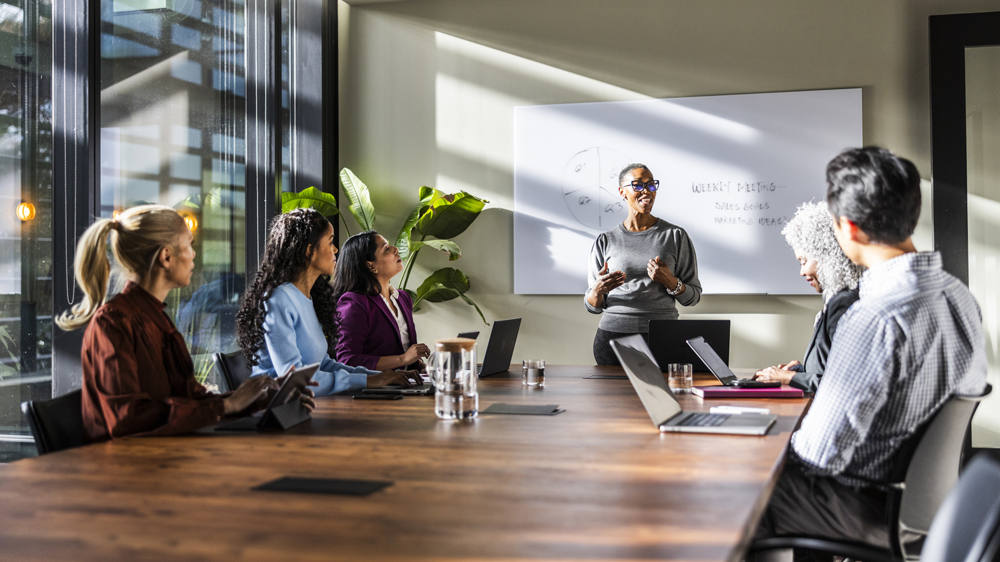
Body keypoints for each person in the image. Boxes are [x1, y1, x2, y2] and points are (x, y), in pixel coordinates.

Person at [755, 147, 988, 553]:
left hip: (867, 505)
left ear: (847, 227)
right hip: (931, 505)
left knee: (737, 495)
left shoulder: (874, 318)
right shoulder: (958, 296)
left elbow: (819, 455)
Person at [57, 205, 314, 443]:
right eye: (189, 245)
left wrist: (259, 399)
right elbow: (125, 418)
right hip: (127, 475)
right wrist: (225, 406)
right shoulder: (112, 323)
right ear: (166, 257)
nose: (193, 255)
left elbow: (190, 402)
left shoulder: (156, 319)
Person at [236, 209, 420, 395]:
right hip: (273, 410)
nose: (336, 250)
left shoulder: (307, 298)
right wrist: (367, 379)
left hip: (304, 405)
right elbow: (293, 379)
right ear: (310, 251)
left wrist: (376, 377)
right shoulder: (279, 299)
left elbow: (324, 364)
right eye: (330, 242)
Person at [585, 163, 703, 366]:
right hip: (614, 337)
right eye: (638, 185)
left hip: (663, 337)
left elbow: (692, 297)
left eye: (651, 185)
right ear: (622, 192)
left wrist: (671, 282)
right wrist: (597, 290)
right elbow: (593, 307)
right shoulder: (606, 240)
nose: (646, 191)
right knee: (614, 398)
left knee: (664, 397)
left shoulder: (675, 236)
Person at [753, 201, 865, 392]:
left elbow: (850, 384)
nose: (802, 272)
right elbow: (829, 369)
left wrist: (791, 377)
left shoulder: (844, 304)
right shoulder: (839, 298)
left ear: (828, 256)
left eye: (804, 261)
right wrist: (800, 370)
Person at [332, 231, 430, 371]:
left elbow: (406, 356)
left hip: (408, 386)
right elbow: (348, 360)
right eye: (386, 249)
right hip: (378, 390)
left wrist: (432, 372)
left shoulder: (402, 298)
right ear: (371, 266)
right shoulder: (355, 303)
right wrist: (403, 359)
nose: (395, 249)